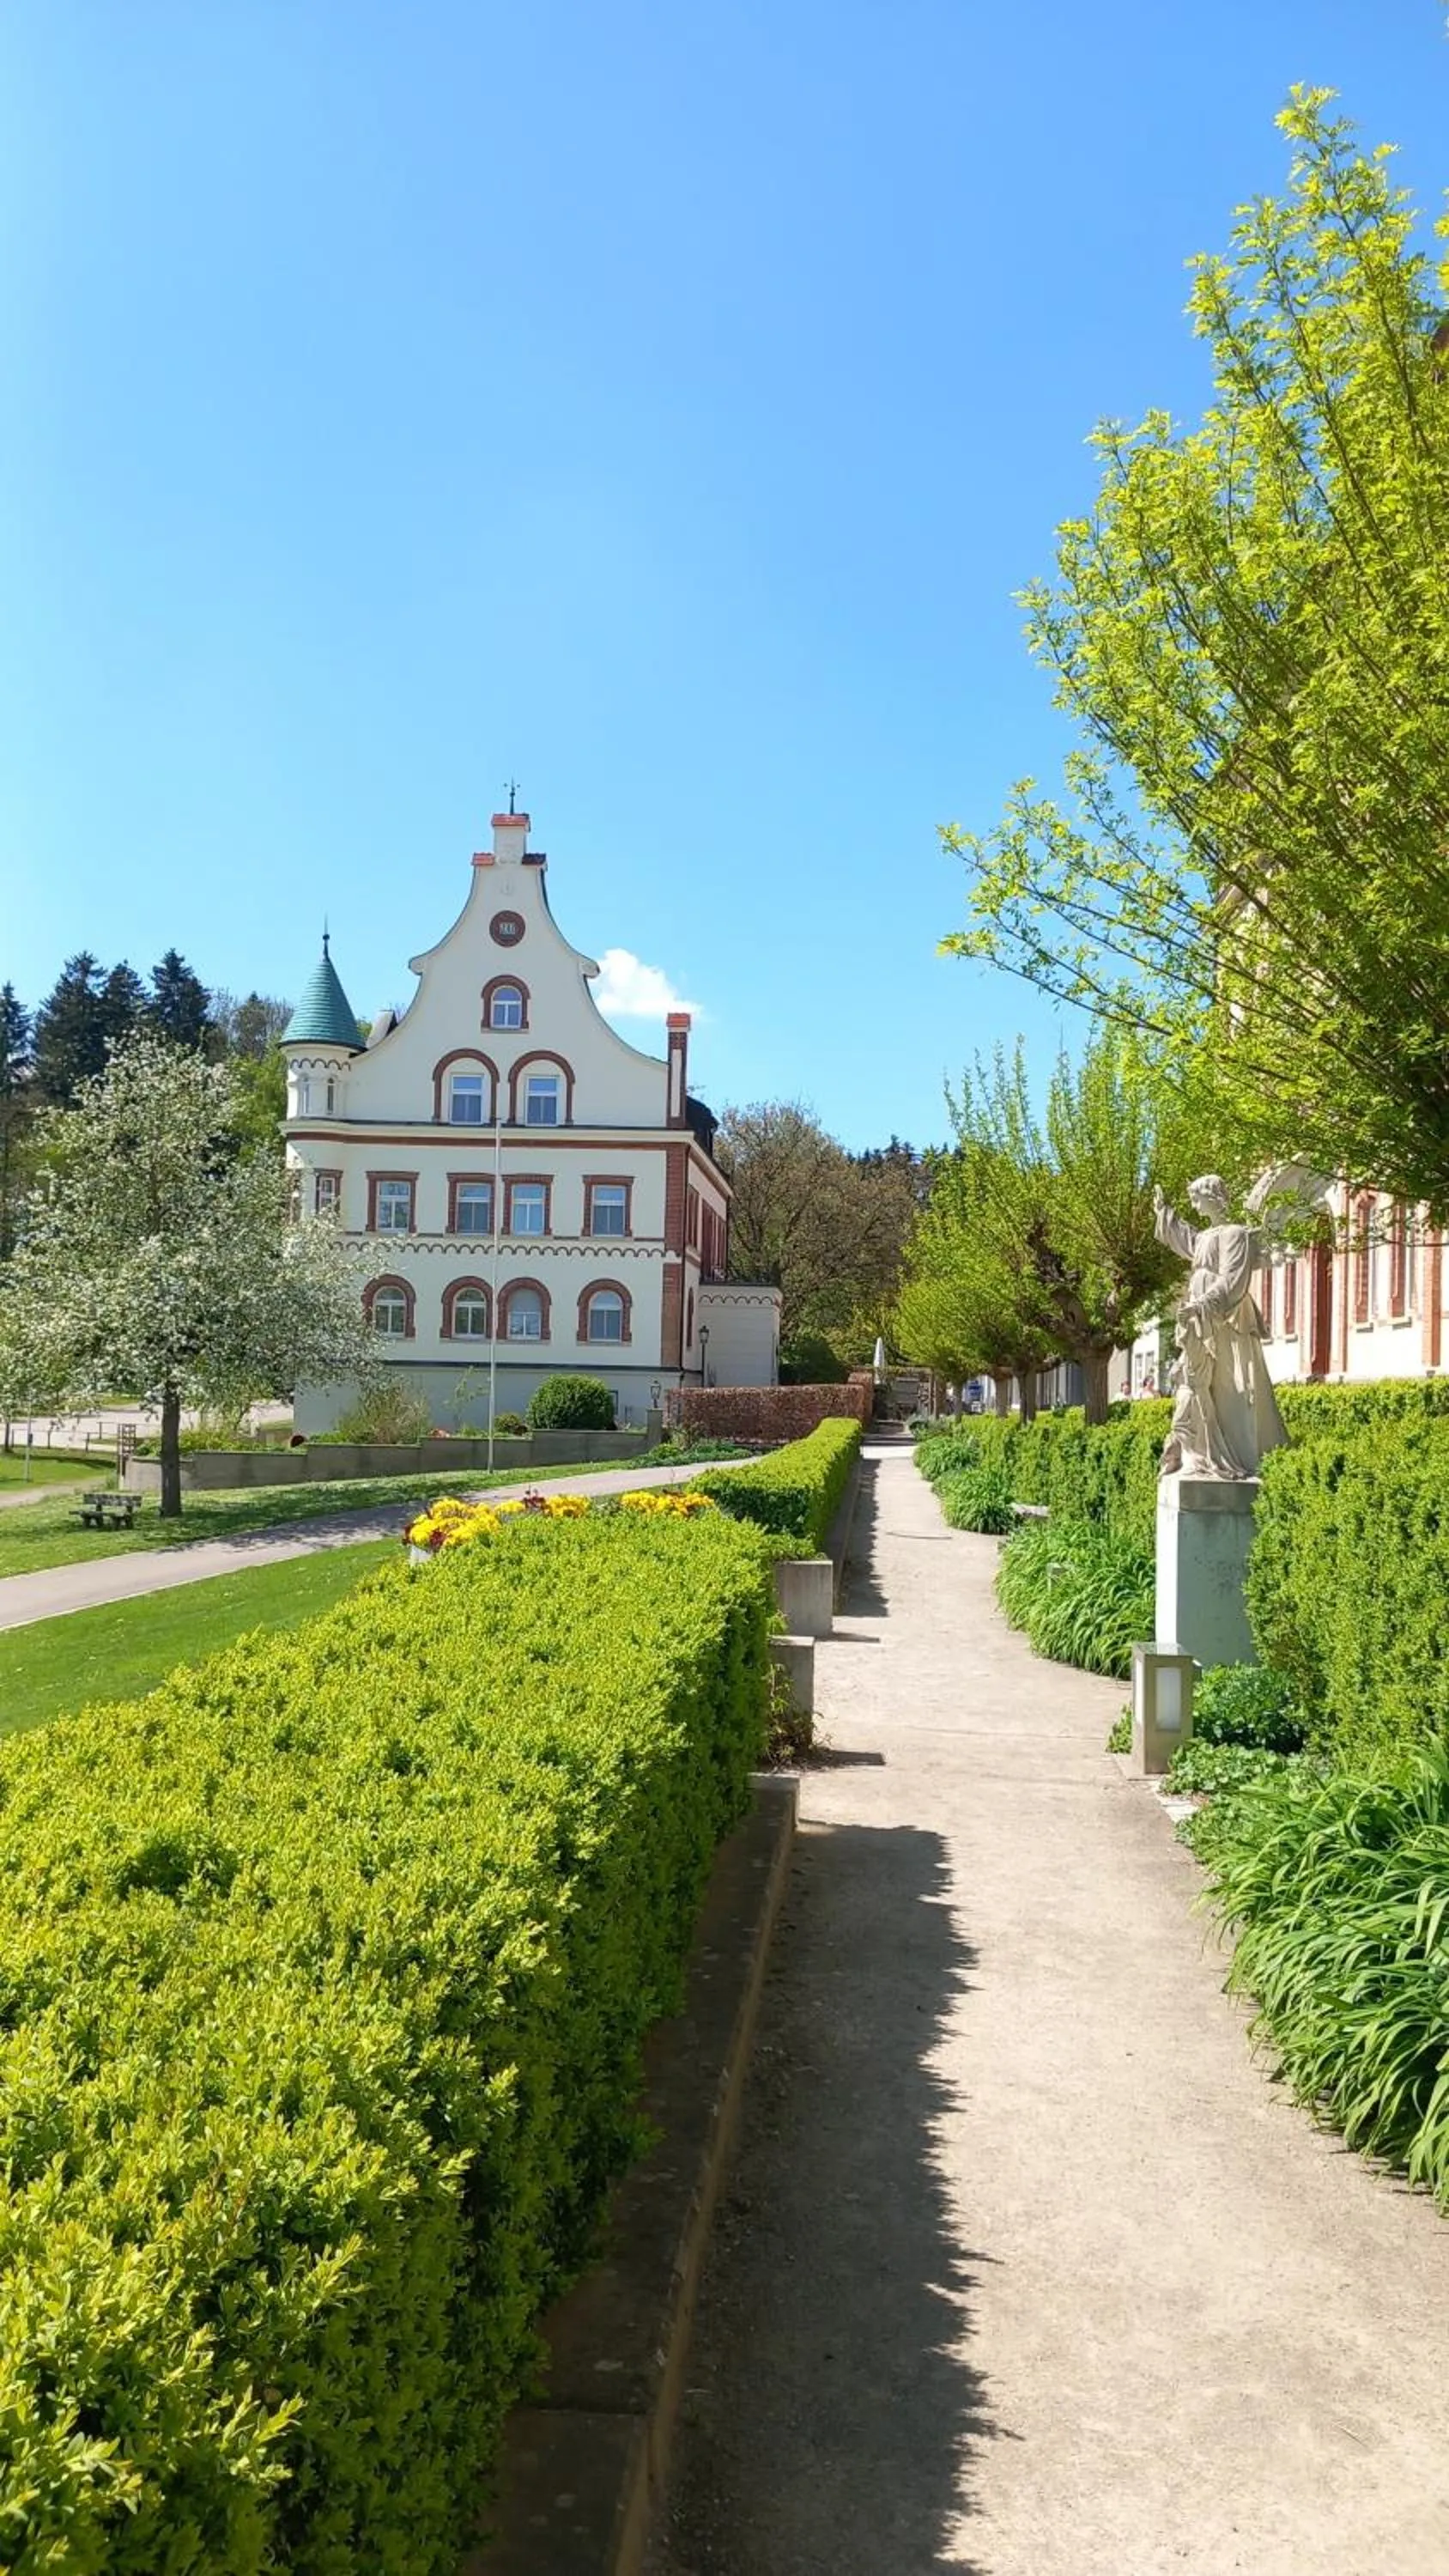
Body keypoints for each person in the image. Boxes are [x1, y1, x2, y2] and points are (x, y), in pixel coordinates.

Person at [1153, 1176, 1287, 1479]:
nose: (1194, 1204)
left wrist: (1204, 1304)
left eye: (1197, 1198)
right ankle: (1198, 1451)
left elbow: (1232, 1279)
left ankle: (1232, 1452)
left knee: (1227, 1383)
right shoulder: (1206, 1237)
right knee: (1197, 1380)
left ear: (1213, 1197)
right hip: (1200, 1316)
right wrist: (1165, 1214)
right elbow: (1188, 1240)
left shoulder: (1235, 1234)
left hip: (1223, 1318)